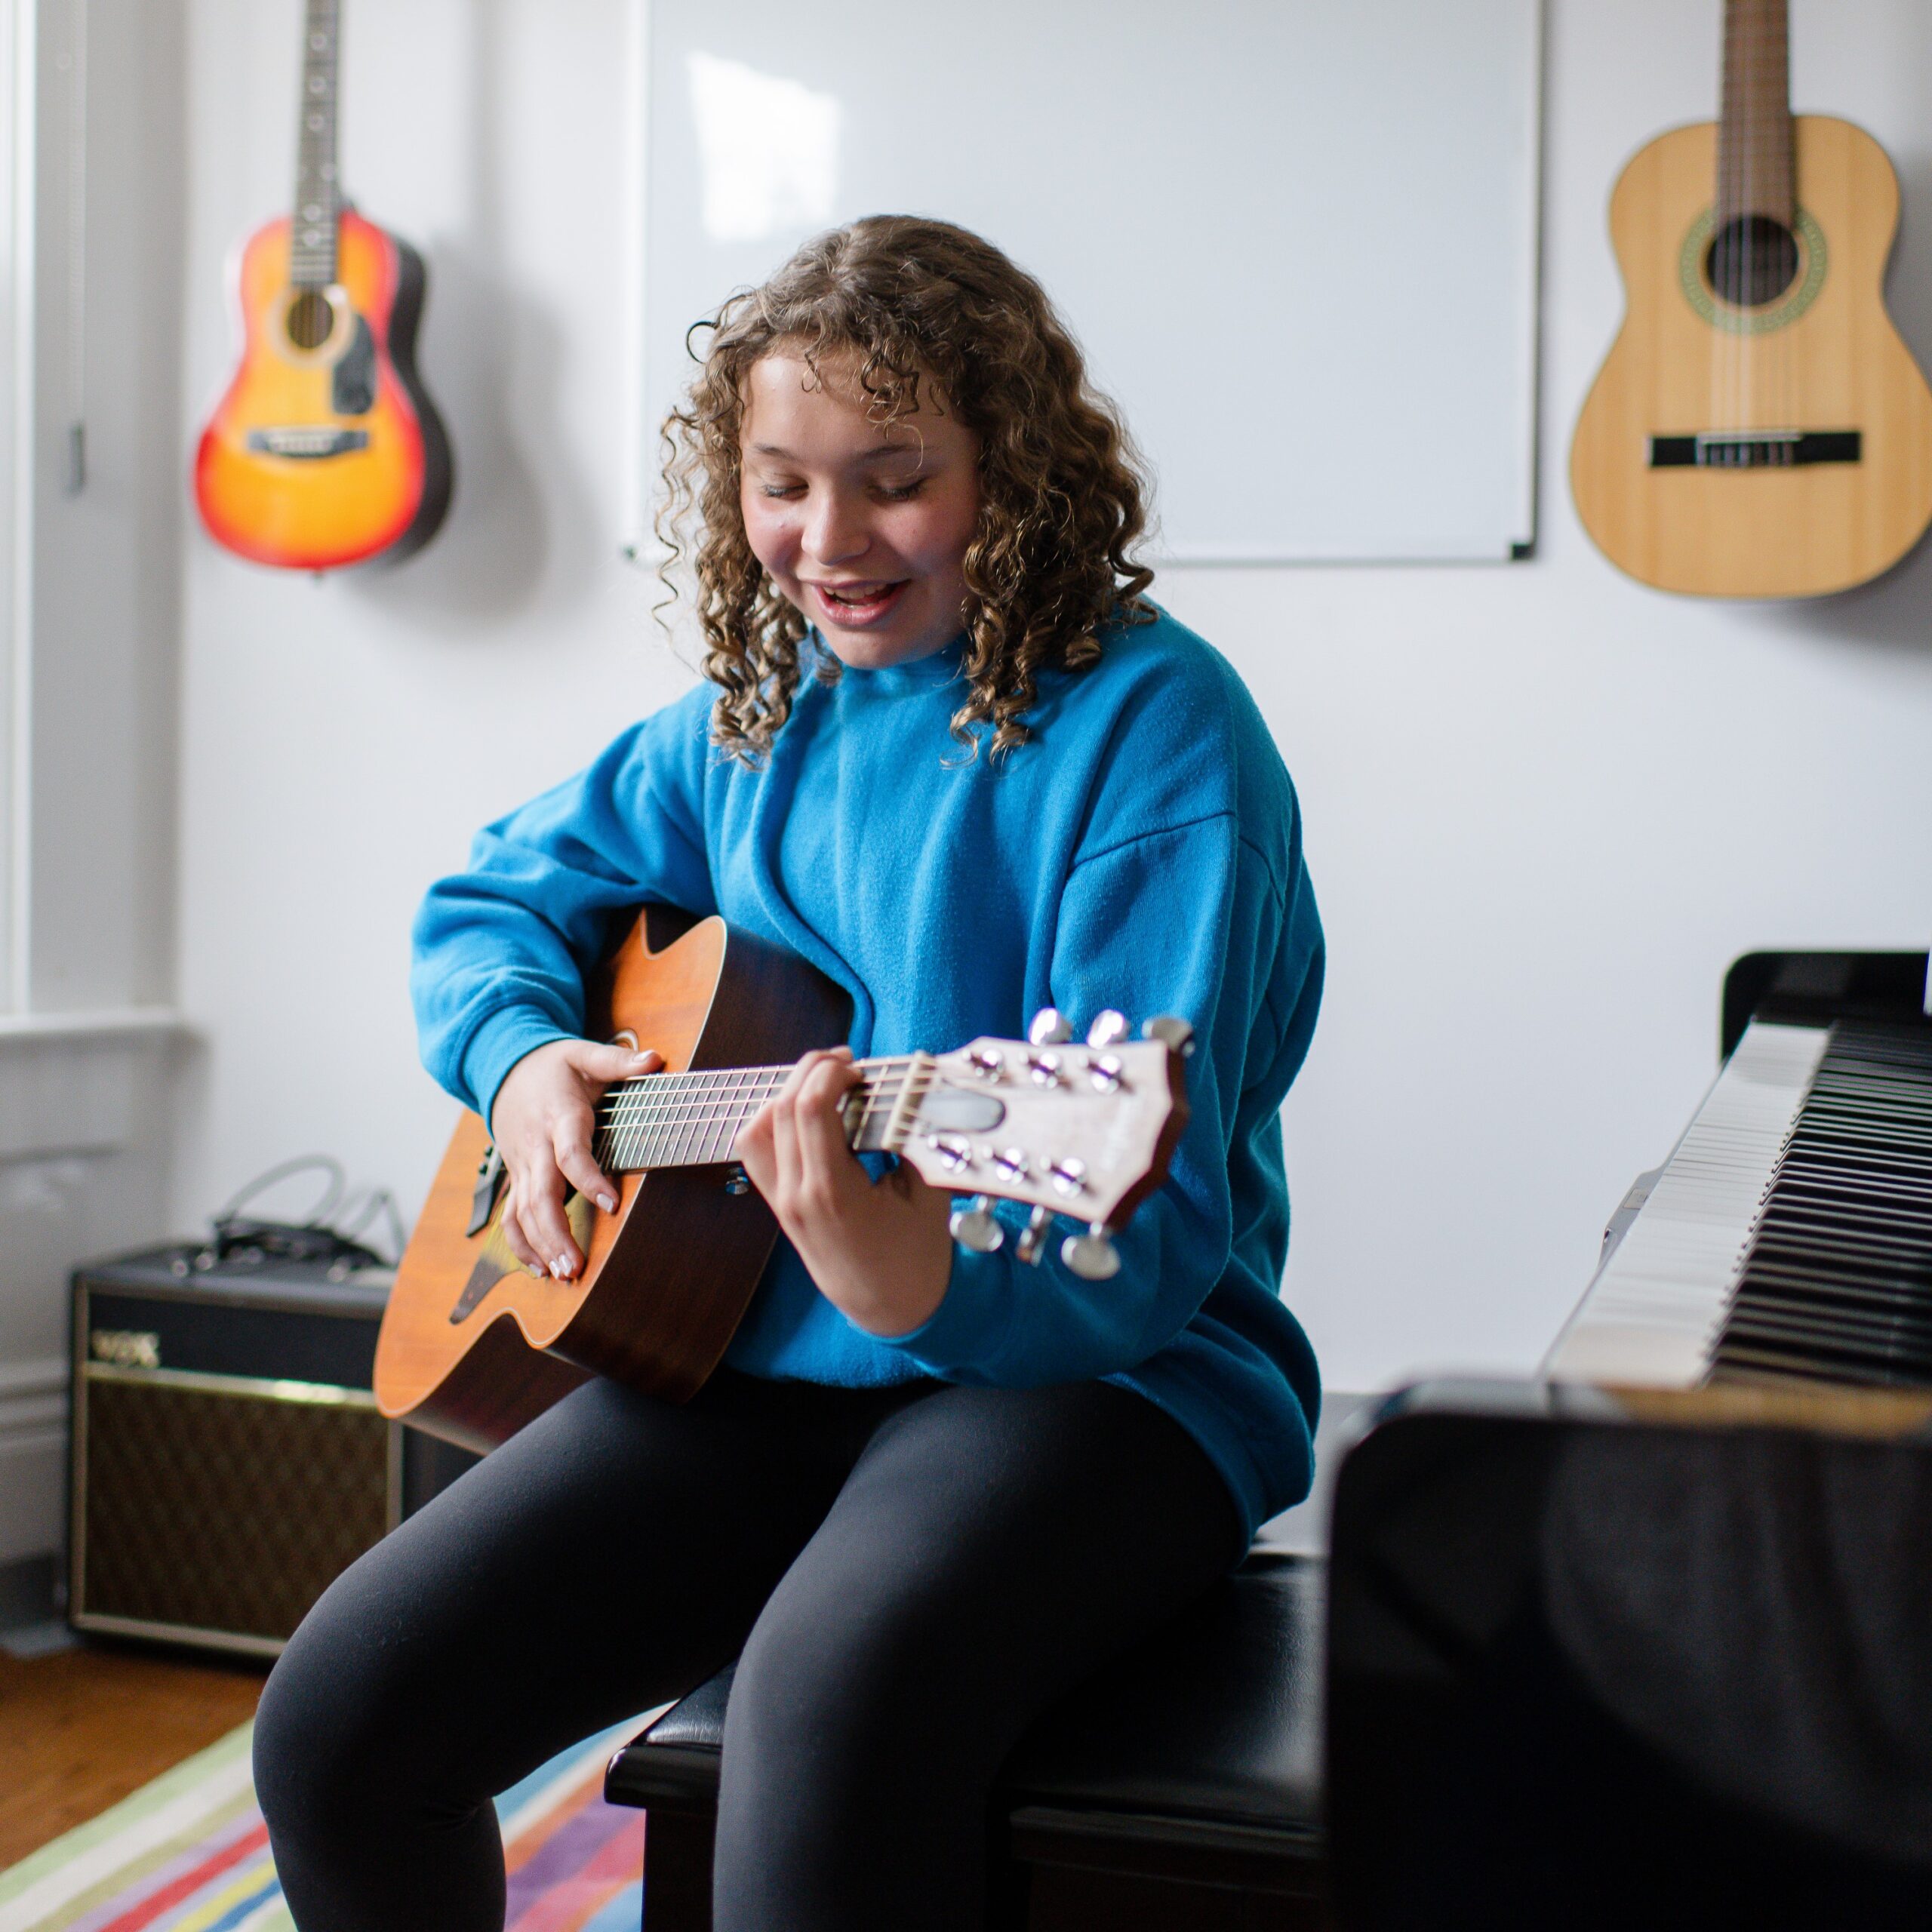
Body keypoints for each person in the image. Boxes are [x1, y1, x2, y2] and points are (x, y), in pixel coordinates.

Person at [253, 215, 1324, 1932]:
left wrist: (922, 1283)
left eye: (893, 478)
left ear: (1015, 472)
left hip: (1106, 1383)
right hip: (754, 1359)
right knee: (339, 1725)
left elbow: (1155, 1216)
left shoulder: (1158, 732)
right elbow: (487, 901)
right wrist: (525, 1061)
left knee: (822, 1711)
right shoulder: (750, 723)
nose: (826, 541)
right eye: (780, 483)